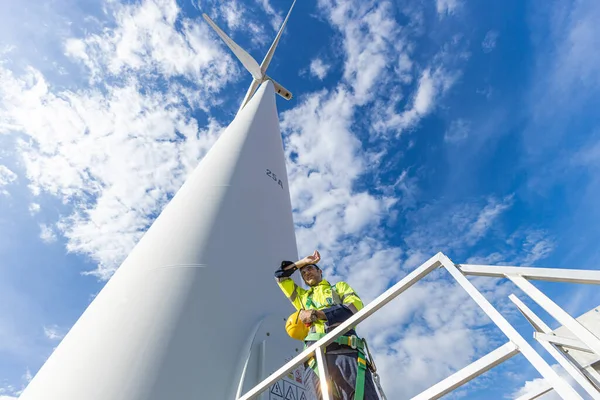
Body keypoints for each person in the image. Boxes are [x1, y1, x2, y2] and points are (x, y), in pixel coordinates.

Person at [275, 250, 380, 400]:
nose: (306, 273)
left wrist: (318, 314)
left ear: (320, 271)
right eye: (303, 272)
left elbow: (354, 308)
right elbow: (280, 275)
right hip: (315, 362)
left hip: (346, 352)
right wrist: (303, 262)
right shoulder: (302, 297)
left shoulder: (338, 288)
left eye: (310, 269)